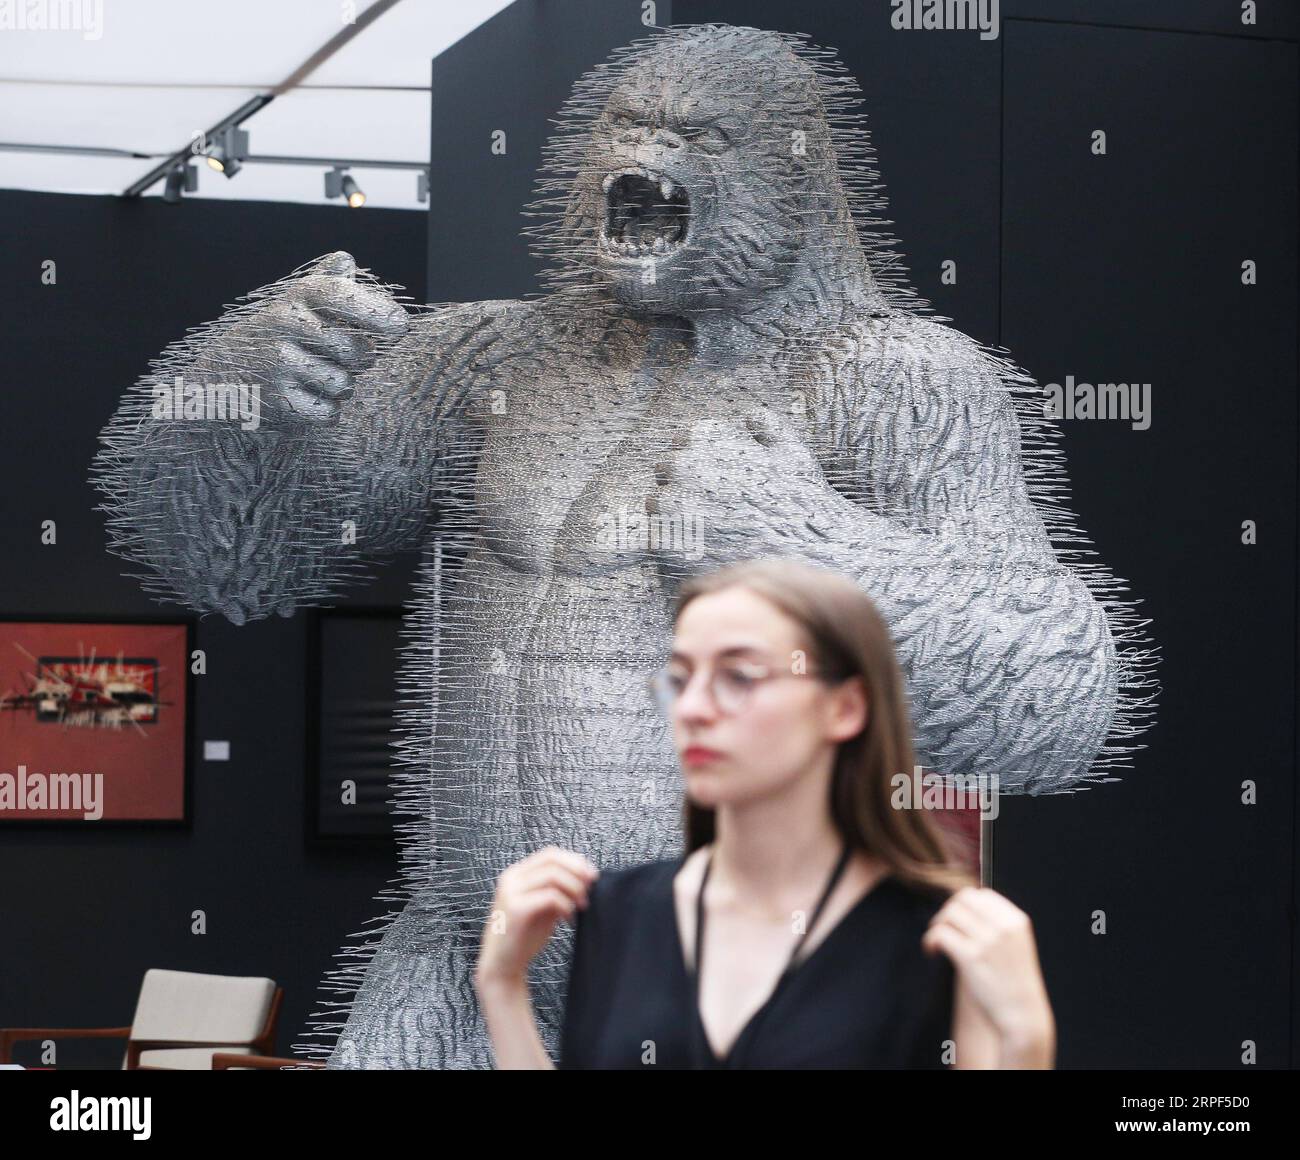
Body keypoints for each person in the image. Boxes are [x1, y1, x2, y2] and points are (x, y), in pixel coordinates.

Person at [474, 556, 1056, 1069]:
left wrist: (1026, 1041)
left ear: (846, 707)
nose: (695, 708)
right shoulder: (620, 912)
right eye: (680, 680)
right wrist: (501, 986)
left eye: (739, 677)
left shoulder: (940, 935)